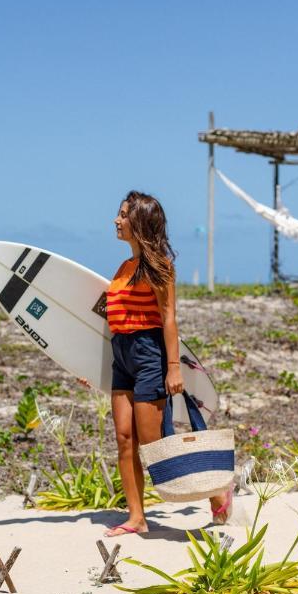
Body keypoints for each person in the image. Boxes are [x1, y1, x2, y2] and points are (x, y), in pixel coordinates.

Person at [103, 190, 232, 537]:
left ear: (140, 223)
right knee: (123, 438)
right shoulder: (122, 267)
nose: (116, 220)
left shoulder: (160, 265)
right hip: (121, 355)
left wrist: (173, 367)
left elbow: (169, 318)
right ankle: (136, 517)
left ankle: (216, 489)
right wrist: (93, 366)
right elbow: (111, 319)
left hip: (148, 355)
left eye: (123, 215)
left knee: (154, 444)